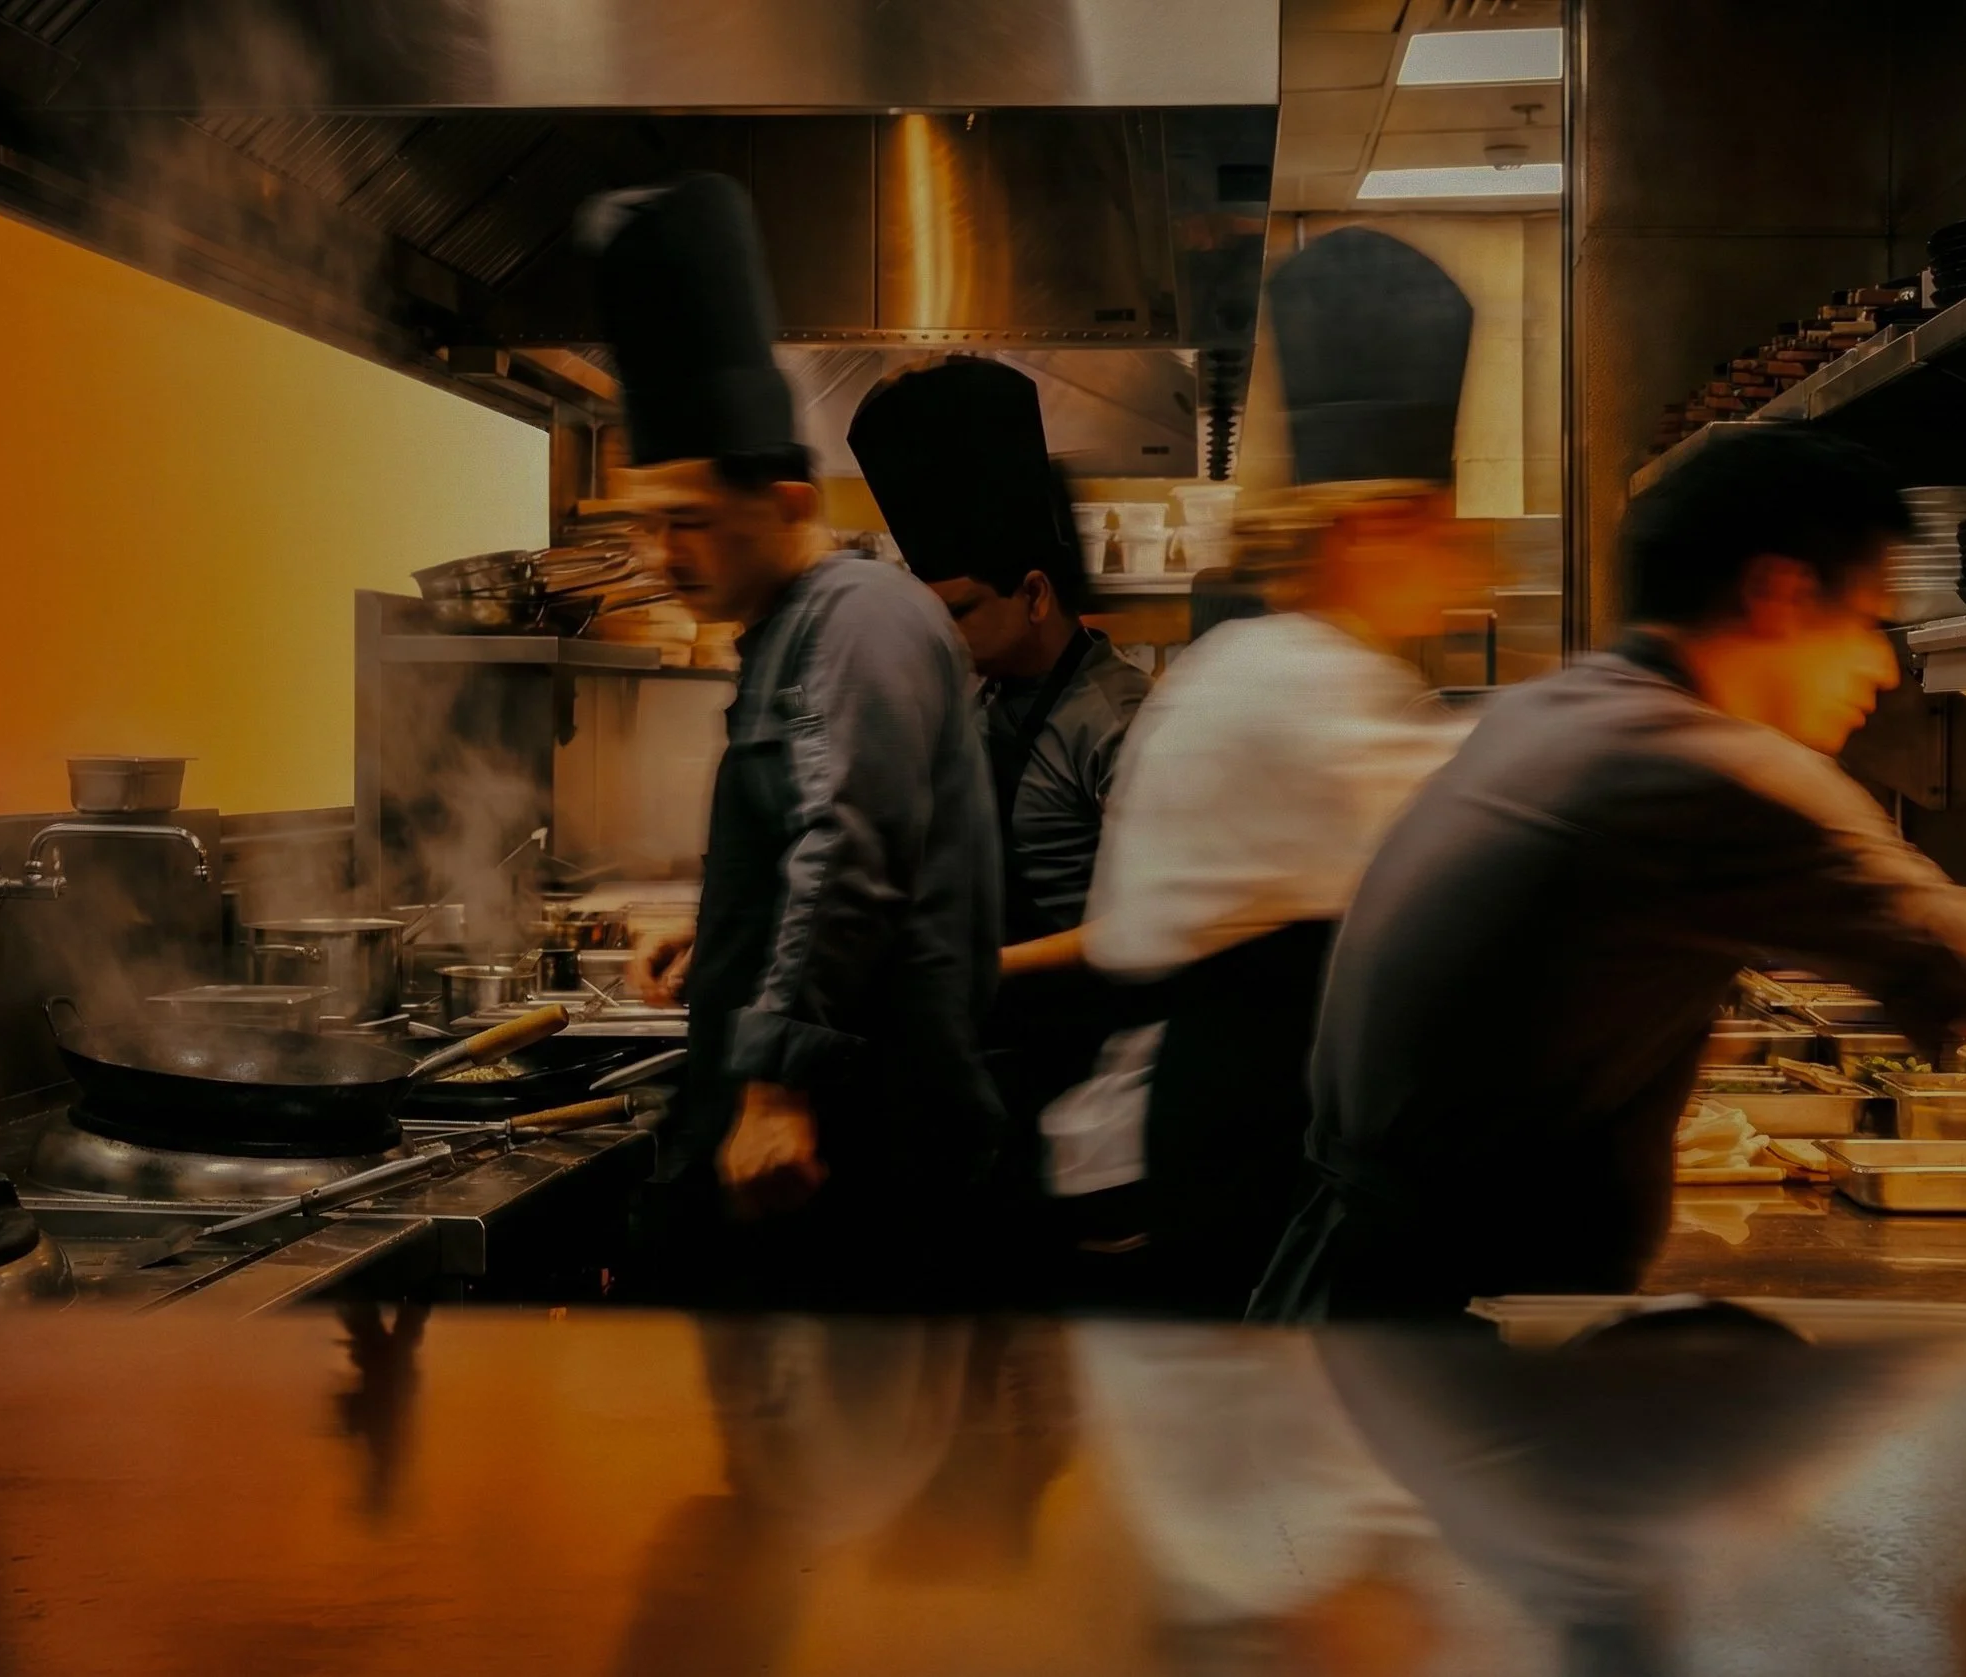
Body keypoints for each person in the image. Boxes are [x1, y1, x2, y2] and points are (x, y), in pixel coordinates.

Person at [1255, 425, 1966, 1323]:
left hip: (1375, 1283)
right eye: (1867, 620)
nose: (1883, 668)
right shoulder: (1706, 762)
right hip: (1437, 1323)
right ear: (1779, 594)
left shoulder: (1565, 707)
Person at [591, 174, 1007, 1312]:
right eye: (646, 522)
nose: (662, 553)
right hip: (810, 1152)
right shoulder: (780, 631)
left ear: (782, 498)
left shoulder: (861, 616)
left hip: (862, 1156)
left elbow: (850, 847)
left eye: (688, 520)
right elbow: (800, 846)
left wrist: (778, 1086)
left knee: (855, 1473)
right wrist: (715, 933)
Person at [1081, 227, 1488, 1318]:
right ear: (1363, 531)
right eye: (1433, 526)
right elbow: (1493, 861)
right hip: (1256, 1156)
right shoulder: (1301, 686)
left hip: (1240, 1132)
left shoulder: (1256, 663)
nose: (1456, 556)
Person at [846, 357, 1151, 1204]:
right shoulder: (971, 696)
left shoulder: (1119, 721)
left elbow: (1143, 925)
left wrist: (980, 968)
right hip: (968, 1076)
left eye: (959, 612)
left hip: (1072, 1086)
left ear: (1036, 593)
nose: (938, 636)